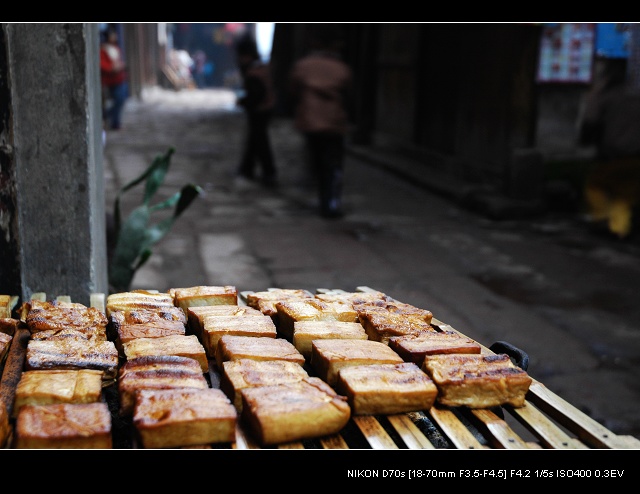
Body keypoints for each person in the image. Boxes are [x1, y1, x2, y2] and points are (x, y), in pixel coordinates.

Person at [289, 25, 353, 219]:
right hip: (333, 122)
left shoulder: (304, 66)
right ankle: (330, 202)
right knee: (332, 164)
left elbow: (292, 90)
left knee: (316, 158)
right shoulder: (342, 69)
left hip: (310, 120)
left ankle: (318, 190)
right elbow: (350, 95)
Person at [579, 58, 640, 238]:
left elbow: (591, 120)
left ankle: (601, 218)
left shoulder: (610, 93)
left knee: (595, 186)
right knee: (625, 193)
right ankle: (619, 227)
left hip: (614, 152)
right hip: (636, 155)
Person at [234, 34, 277, 187]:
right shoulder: (260, 68)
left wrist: (243, 102)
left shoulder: (254, 73)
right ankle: (248, 168)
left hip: (260, 110)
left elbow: (256, 96)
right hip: (264, 108)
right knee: (255, 140)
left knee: (259, 141)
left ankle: (268, 172)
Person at [100, 27, 128, 131]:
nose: (115, 36)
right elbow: (102, 65)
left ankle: (115, 122)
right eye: (112, 35)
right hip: (111, 80)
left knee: (121, 100)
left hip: (120, 78)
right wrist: (112, 68)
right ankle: (107, 116)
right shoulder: (103, 50)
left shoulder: (115, 48)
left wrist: (120, 66)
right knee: (118, 100)